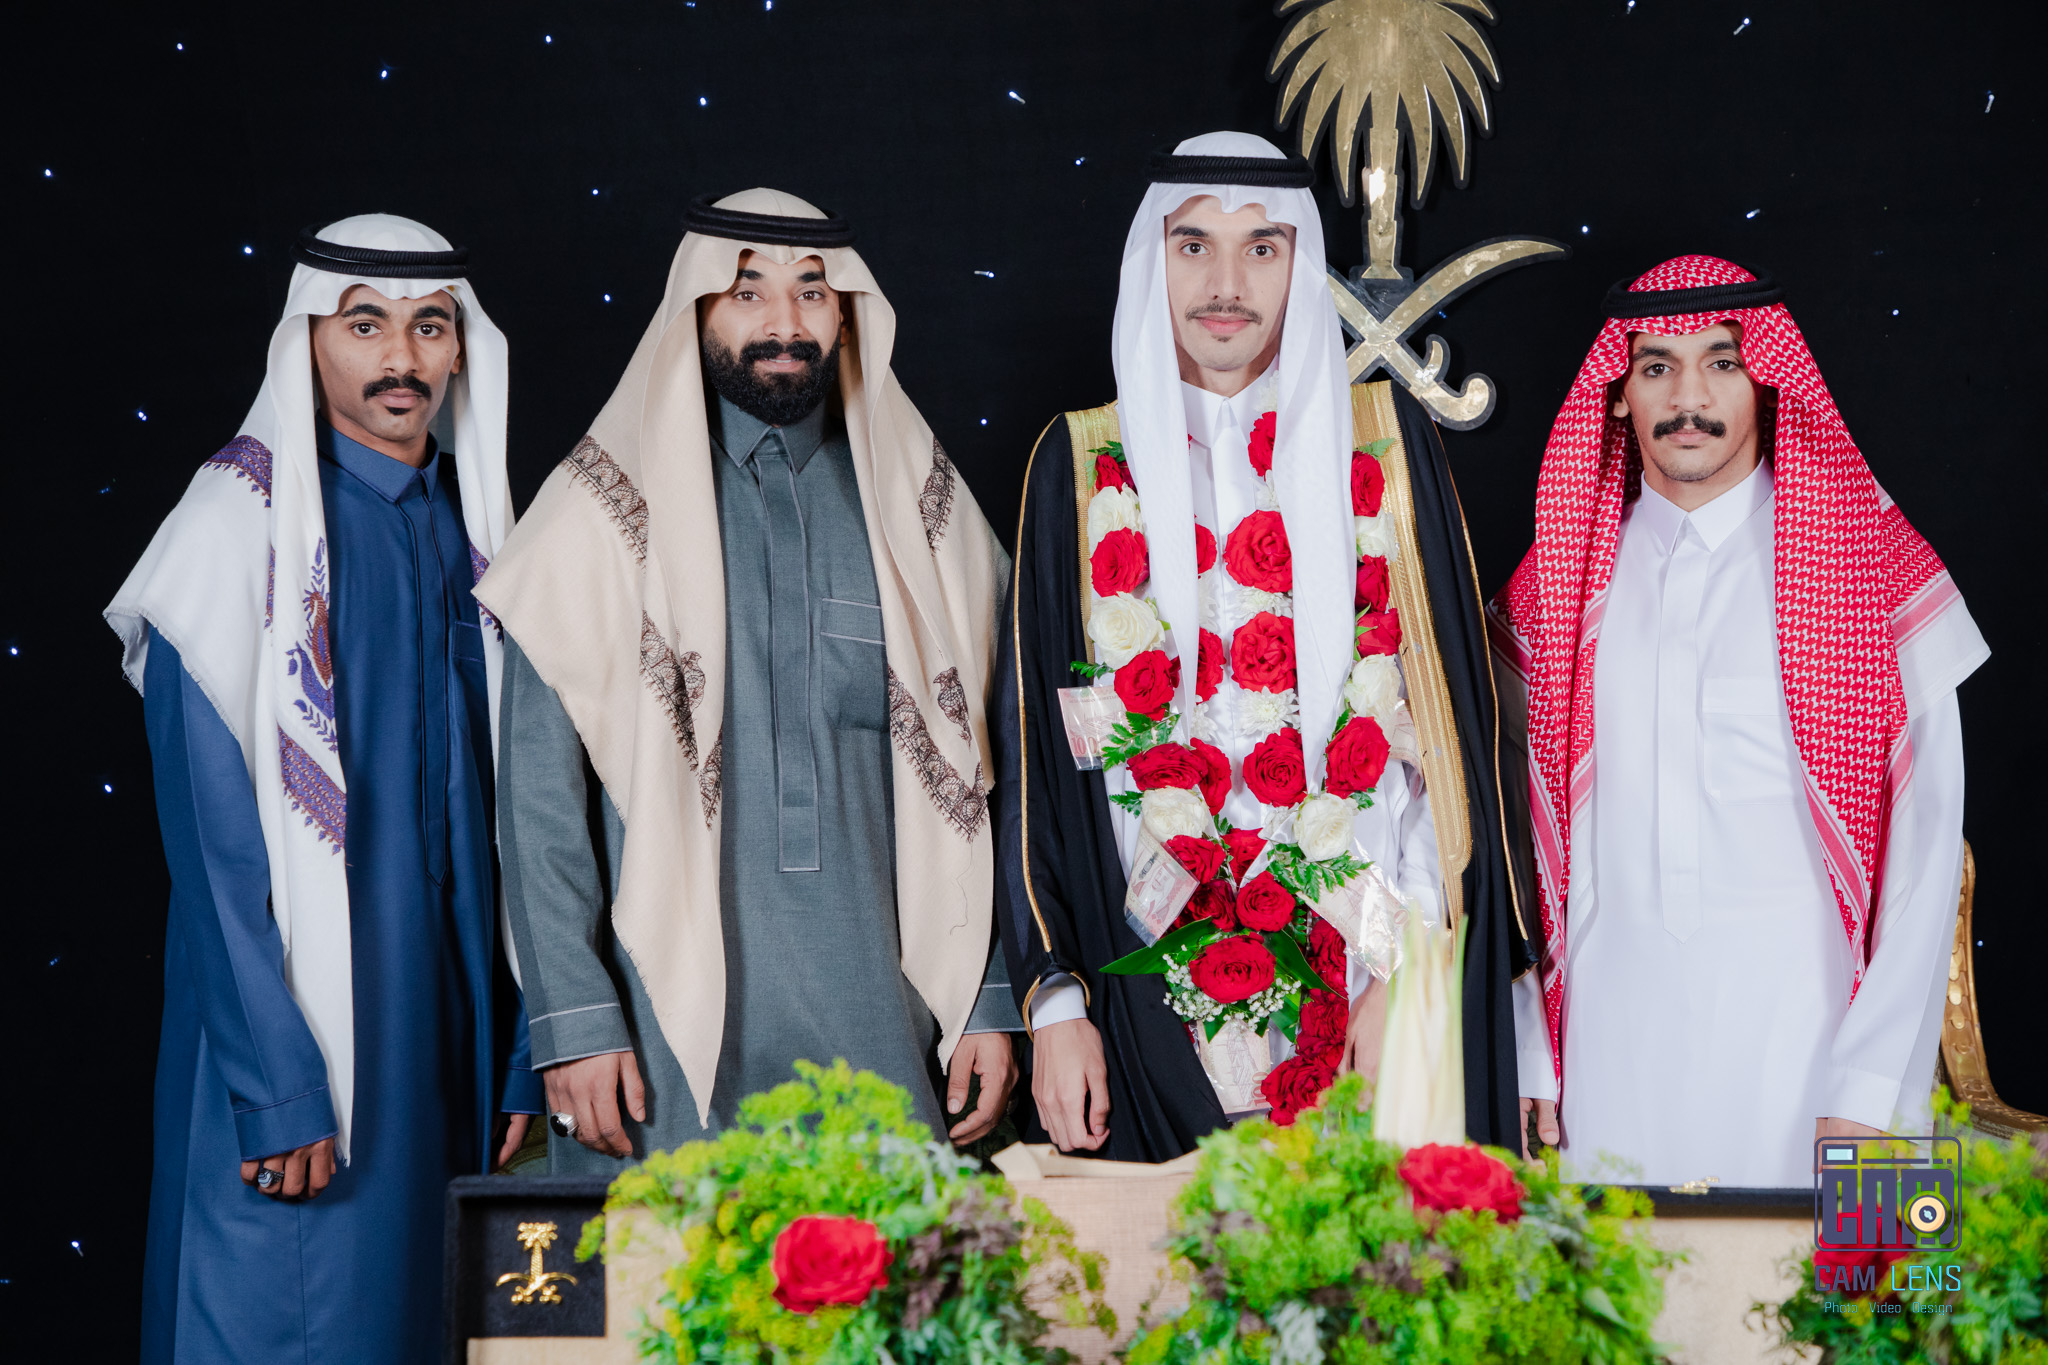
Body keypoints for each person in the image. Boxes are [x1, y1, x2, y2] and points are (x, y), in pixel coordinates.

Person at [997, 132, 1532, 1161]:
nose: (1226, 286)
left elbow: (1443, 745)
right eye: (1193, 246)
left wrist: (1403, 976)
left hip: (1367, 991)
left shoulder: (1384, 447)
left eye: (1262, 248)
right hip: (1142, 991)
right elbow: (1036, 764)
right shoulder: (1078, 463)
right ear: (1151, 261)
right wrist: (1055, 999)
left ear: (1301, 265)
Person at [476, 190, 1021, 1168]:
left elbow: (994, 778)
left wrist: (987, 998)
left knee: (894, 1264)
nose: (783, 322)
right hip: (659, 1050)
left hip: (891, 1037)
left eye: (810, 291)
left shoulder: (922, 514)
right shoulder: (595, 521)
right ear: (695, 309)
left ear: (846, 310)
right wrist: (574, 1016)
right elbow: (538, 805)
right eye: (747, 292)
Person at [107, 216, 539, 1364]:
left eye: (429, 325)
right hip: (296, 1051)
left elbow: (526, 817)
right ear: (306, 339)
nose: (401, 356)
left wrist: (518, 1045)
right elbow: (212, 851)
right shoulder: (230, 532)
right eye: (364, 325)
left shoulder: (476, 531)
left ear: (461, 347)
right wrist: (279, 1087)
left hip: (450, 1036)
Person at [1492, 255, 1987, 1186]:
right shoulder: (1557, 584)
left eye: (1721, 361)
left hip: (1822, 1053)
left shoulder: (1868, 563)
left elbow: (1926, 846)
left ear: (1766, 380)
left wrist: (1873, 1082)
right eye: (1657, 366)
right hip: (1607, 1054)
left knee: (1857, 1279)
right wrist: (1526, 1043)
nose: (1689, 397)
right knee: (1612, 1282)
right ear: (1618, 395)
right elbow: (1513, 845)